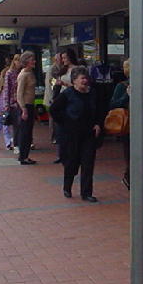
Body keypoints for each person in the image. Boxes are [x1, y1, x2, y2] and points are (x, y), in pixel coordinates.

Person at [50, 66, 103, 202]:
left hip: (89, 134)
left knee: (88, 163)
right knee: (72, 163)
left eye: (86, 78)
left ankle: (86, 193)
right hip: (71, 135)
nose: (85, 81)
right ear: (74, 81)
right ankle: (67, 187)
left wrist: (98, 123)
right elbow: (54, 110)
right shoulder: (68, 94)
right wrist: (66, 122)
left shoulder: (93, 93)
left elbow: (99, 110)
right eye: (82, 78)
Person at [110, 58, 143, 190]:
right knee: (130, 155)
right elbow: (114, 105)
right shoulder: (122, 86)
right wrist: (127, 95)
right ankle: (131, 180)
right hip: (128, 125)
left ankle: (134, 179)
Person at [0, 54, 20, 149]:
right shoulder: (0, 89)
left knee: (6, 128)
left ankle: (8, 144)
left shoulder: (6, 88)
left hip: (6, 110)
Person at [15, 51, 37, 165]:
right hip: (25, 105)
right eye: (32, 60)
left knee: (28, 132)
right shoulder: (23, 75)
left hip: (30, 105)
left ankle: (25, 155)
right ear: (27, 61)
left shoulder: (30, 73)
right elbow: (19, 94)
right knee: (25, 132)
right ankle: (23, 156)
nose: (34, 61)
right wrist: (23, 109)